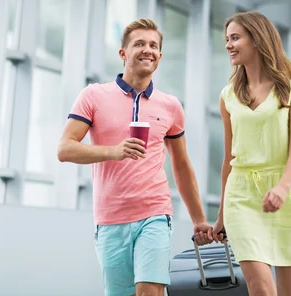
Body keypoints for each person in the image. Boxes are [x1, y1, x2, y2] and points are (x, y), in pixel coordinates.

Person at [57, 18, 213, 296]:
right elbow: (65, 148)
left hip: (154, 212)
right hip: (109, 218)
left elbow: (181, 164)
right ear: (123, 53)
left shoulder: (171, 106)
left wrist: (199, 218)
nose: (147, 50)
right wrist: (113, 151)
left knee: (148, 291)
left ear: (160, 56)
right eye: (139, 43)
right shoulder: (93, 96)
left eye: (153, 45)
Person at [212, 11, 291, 296]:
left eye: (235, 38)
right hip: (242, 197)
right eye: (227, 39)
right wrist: (221, 216)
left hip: (286, 195)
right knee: (260, 287)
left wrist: (282, 187)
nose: (228, 45)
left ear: (257, 39)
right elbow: (229, 158)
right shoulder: (228, 96)